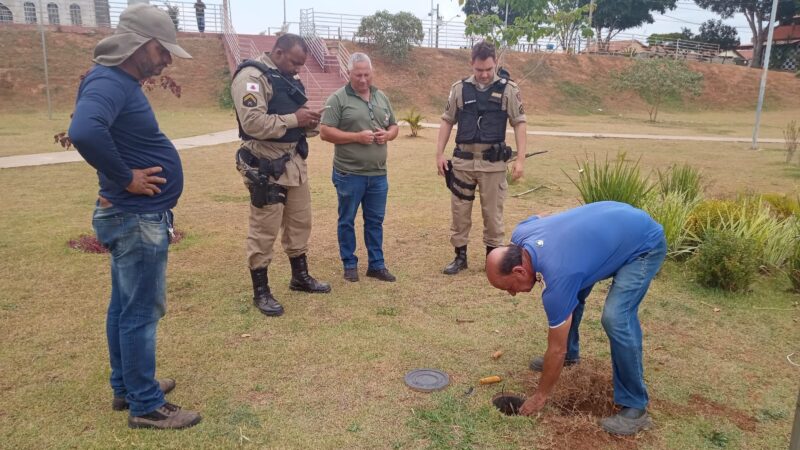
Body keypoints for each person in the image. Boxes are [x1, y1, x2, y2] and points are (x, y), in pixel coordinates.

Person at [68, 4, 200, 430]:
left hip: (133, 215)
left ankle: (127, 387)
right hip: (136, 216)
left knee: (124, 307)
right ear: (142, 46)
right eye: (163, 51)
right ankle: (146, 404)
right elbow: (85, 131)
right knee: (140, 310)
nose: (166, 61)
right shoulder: (109, 81)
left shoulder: (118, 81)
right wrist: (125, 179)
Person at [485, 201, 667, 435]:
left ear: (519, 271)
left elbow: (555, 348)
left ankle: (635, 407)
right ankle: (573, 356)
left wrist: (540, 396)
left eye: (508, 287)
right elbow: (540, 216)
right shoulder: (521, 234)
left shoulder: (558, 276)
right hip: (616, 221)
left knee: (616, 317)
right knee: (575, 291)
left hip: (643, 243)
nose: (511, 293)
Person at [231, 33, 331, 318]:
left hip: (294, 161)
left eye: (301, 64)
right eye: (295, 62)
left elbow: (292, 119)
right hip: (265, 164)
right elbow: (253, 123)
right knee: (265, 228)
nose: (298, 69)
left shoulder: (286, 77)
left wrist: (309, 122)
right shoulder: (251, 77)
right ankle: (260, 291)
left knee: (300, 221)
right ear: (278, 52)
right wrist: (294, 120)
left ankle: (300, 277)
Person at [435, 40, 528, 275]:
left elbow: (519, 124)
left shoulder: (509, 90)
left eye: (488, 69)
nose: (484, 74)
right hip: (463, 162)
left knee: (493, 213)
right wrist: (439, 154)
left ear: (495, 63)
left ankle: (492, 259)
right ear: (471, 65)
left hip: (493, 164)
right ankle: (460, 257)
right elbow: (447, 120)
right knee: (459, 211)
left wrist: (521, 160)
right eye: (479, 70)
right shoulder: (459, 89)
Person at [320, 53, 399, 282]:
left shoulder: (381, 97)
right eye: (358, 75)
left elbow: (394, 125)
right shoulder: (338, 99)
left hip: (378, 174)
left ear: (372, 73)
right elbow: (325, 131)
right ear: (349, 73)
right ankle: (349, 264)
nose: (363, 80)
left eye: (366, 74)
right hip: (349, 173)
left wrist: (389, 134)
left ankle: (376, 264)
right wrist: (356, 137)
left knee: (375, 221)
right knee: (347, 220)